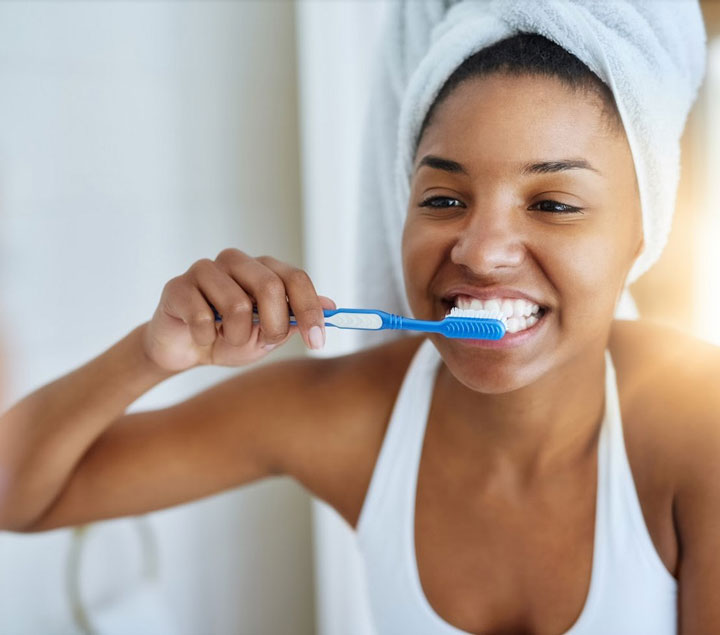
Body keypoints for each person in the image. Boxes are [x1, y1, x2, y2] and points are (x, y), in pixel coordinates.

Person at [1, 30, 718, 635]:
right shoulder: (354, 418)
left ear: (642, 235)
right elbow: (16, 493)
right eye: (442, 197)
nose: (481, 247)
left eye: (554, 203)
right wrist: (149, 354)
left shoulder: (698, 426)